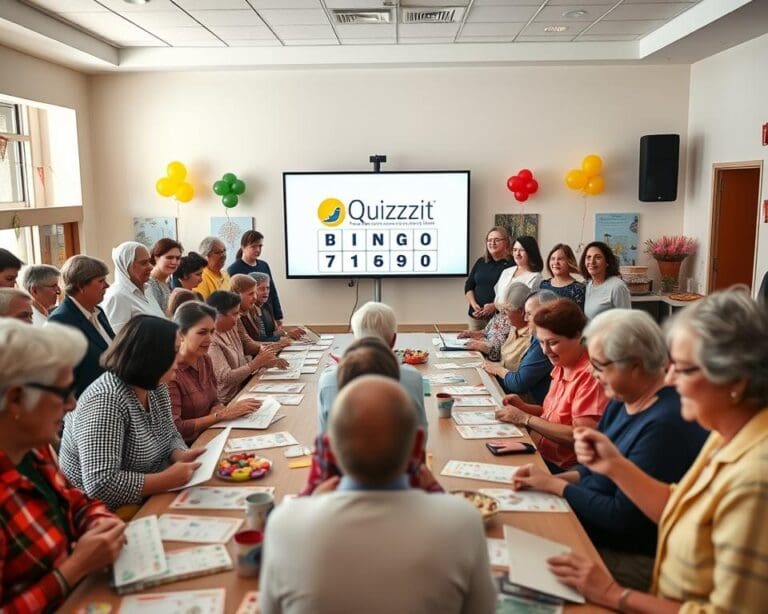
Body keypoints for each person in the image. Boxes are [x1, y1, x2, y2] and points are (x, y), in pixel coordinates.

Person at [547, 289, 768, 613]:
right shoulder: (726, 435)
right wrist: (615, 465)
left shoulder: (755, 479)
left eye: (684, 369)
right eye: (671, 365)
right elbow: (678, 505)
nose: (670, 379)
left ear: (736, 380)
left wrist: (613, 594)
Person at [260, 376, 497, 614]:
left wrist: (309, 505)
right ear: (418, 446)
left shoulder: (284, 523)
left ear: (330, 448)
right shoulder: (463, 521)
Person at [512, 309, 708, 591]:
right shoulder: (622, 397)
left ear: (636, 365)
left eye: (600, 366)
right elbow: (594, 468)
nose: (593, 373)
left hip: (629, 553)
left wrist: (556, 487)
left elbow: (623, 519)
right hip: (596, 525)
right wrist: (550, 480)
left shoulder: (664, 425)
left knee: (520, 565)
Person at [0, 320, 125, 612]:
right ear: (16, 399)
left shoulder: (34, 447)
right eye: (63, 392)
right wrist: (74, 568)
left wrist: (100, 523)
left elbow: (75, 500)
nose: (72, 405)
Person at [59, 315, 205, 513]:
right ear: (150, 356)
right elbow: (100, 484)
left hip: (152, 493)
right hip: (105, 513)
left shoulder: (156, 383)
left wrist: (180, 454)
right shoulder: (105, 401)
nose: (181, 358)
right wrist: (167, 479)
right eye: (174, 352)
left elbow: (170, 434)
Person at [301, 337, 442, 496]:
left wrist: (314, 498)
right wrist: (433, 487)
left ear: (328, 444)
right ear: (417, 444)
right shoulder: (405, 439)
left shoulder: (327, 449)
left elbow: (302, 499)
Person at [494, 298, 608, 470]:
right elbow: (553, 416)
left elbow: (580, 436)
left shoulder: (591, 376)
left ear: (578, 336)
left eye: (553, 343)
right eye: (541, 342)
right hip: (540, 453)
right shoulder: (562, 365)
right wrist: (524, 408)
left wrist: (525, 418)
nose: (546, 351)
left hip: (564, 468)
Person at [317, 301, 427, 434]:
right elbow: (421, 435)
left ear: (355, 339)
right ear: (393, 340)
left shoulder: (328, 379)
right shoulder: (413, 378)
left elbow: (324, 436)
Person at [169, 302, 261, 444]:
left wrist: (219, 409)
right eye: (202, 332)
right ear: (181, 334)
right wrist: (220, 415)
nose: (210, 339)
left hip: (213, 433)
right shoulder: (170, 372)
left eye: (212, 332)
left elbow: (215, 400)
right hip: (190, 446)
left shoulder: (205, 359)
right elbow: (176, 428)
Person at [48, 256, 115, 398]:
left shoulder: (98, 311)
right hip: (86, 403)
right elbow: (62, 378)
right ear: (80, 286)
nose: (107, 286)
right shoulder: (60, 321)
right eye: (101, 281)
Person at [206, 291, 287, 404]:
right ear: (217, 315)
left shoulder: (231, 328)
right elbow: (226, 378)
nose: (238, 317)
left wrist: (265, 362)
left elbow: (243, 357)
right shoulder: (211, 342)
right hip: (229, 400)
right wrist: (256, 363)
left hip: (244, 387)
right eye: (234, 314)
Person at [483, 289, 557, 404]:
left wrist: (497, 370)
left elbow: (519, 383)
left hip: (530, 400)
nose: (526, 318)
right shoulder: (536, 336)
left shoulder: (542, 340)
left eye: (529, 314)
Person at [101, 241, 166, 333]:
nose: (151, 267)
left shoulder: (147, 290)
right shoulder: (117, 297)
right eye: (144, 263)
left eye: (149, 261)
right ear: (126, 265)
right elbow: (118, 338)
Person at [227, 230, 286, 328]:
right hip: (248, 319)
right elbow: (232, 299)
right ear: (243, 247)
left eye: (260, 246)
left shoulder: (264, 265)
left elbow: (272, 292)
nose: (258, 249)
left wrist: (278, 316)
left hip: (267, 314)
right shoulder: (233, 269)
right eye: (253, 246)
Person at [464, 226, 513, 330]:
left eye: (497, 240)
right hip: (476, 317)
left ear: (506, 242)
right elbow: (469, 286)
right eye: (489, 240)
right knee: (474, 340)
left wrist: (494, 306)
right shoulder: (481, 262)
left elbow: (513, 293)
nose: (492, 243)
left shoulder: (512, 264)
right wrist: (474, 304)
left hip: (500, 318)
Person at [456, 282, 517, 362]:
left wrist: (482, 346)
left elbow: (499, 352)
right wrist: (472, 333)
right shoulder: (500, 314)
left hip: (495, 362)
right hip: (484, 356)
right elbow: (486, 332)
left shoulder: (513, 321)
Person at [580, 241, 631, 319]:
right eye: (588, 257)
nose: (592, 261)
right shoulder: (589, 285)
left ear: (607, 262)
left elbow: (626, 320)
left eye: (598, 257)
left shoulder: (617, 287)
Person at [493, 235, 544, 300]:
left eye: (522, 250)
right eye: (515, 250)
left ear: (530, 252)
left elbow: (531, 303)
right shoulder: (506, 271)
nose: (517, 254)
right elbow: (497, 297)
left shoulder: (536, 277)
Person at [540, 243, 585, 310]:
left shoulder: (579, 289)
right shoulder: (543, 285)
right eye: (553, 259)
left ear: (569, 261)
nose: (556, 262)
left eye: (560, 259)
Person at [147, 238, 182, 313]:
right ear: (156, 258)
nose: (174, 262)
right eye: (169, 257)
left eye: (178, 258)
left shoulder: (166, 282)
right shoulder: (149, 284)